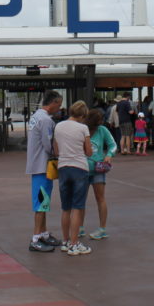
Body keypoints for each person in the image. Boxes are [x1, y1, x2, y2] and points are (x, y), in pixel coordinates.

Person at [53, 100, 93, 256]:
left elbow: (56, 151)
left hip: (63, 167)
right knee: (77, 207)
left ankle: (65, 241)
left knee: (66, 207)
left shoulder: (58, 126)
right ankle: (74, 243)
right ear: (83, 114)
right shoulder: (83, 128)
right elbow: (89, 152)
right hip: (79, 168)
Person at [26, 90, 64, 252]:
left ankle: (43, 233)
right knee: (41, 202)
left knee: (43, 201)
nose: (60, 108)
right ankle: (36, 238)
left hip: (36, 164)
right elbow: (48, 144)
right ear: (53, 103)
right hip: (43, 165)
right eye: (59, 104)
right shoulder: (46, 120)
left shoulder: (36, 117)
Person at [84, 108, 116, 240]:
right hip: (83, 169)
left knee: (100, 198)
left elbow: (113, 145)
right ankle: (79, 226)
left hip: (98, 169)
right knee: (80, 199)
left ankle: (102, 228)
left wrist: (109, 155)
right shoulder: (82, 129)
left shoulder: (102, 130)